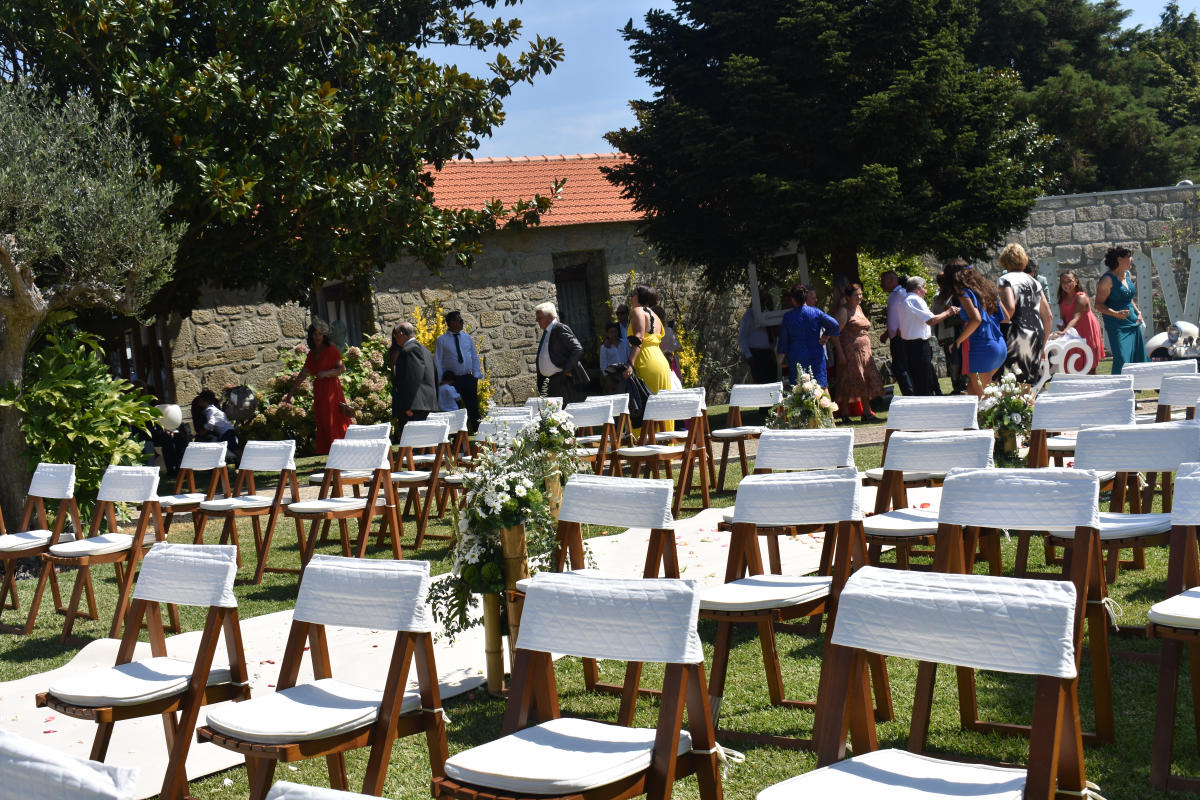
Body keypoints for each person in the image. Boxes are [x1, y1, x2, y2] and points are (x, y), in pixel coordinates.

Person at [282, 318, 351, 455]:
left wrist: (326, 373)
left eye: (320, 334)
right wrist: (290, 394)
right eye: (315, 334)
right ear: (312, 336)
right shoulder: (312, 353)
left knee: (333, 417)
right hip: (319, 390)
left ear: (324, 335)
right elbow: (303, 374)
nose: (317, 336)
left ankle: (341, 448)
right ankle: (330, 451)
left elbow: (342, 369)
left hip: (331, 387)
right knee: (322, 419)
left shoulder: (331, 349)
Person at [996, 243, 1052, 386]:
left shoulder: (1005, 280)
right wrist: (1043, 344)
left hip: (1016, 333)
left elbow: (1009, 310)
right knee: (1028, 383)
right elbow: (1048, 316)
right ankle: (1029, 407)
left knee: (1011, 383)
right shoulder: (1034, 282)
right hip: (1035, 333)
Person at [899, 276, 960, 396]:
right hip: (918, 345)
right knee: (923, 380)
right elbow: (931, 320)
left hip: (911, 344)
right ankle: (926, 404)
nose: (926, 291)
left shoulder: (906, 300)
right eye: (924, 288)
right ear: (918, 288)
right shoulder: (915, 299)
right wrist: (949, 312)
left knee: (921, 379)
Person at [953, 267, 1008, 398]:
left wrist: (958, 341)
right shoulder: (990, 291)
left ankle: (1013, 411)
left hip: (982, 347)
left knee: (987, 400)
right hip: (999, 345)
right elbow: (1006, 317)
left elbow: (976, 320)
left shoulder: (965, 293)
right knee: (973, 389)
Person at [833, 282, 884, 422]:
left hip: (864, 351)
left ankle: (866, 412)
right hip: (851, 352)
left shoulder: (859, 308)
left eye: (861, 294)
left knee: (865, 380)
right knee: (850, 381)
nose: (860, 297)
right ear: (848, 297)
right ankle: (845, 414)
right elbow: (834, 333)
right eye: (856, 295)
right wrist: (841, 354)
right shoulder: (844, 311)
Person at [1095, 246, 1147, 374]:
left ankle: (1133, 390)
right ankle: (1118, 390)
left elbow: (1128, 298)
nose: (1132, 259)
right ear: (1120, 259)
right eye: (1129, 256)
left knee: (1137, 359)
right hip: (1117, 325)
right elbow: (1098, 305)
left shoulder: (1127, 275)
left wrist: (1138, 312)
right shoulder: (1107, 280)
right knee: (1122, 359)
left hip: (1133, 322)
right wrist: (1116, 314)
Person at [778, 282, 840, 386]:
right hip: (816, 356)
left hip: (797, 357)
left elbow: (783, 341)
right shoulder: (816, 312)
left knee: (800, 390)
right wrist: (826, 336)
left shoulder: (788, 317)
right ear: (806, 297)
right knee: (821, 388)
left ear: (793, 299)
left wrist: (780, 359)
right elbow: (834, 325)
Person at [435, 310, 482, 431]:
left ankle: (480, 434)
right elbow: (438, 361)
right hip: (452, 380)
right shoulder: (442, 340)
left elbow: (473, 355)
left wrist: (476, 374)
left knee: (473, 408)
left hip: (468, 377)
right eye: (459, 320)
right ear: (451, 323)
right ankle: (457, 438)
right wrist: (442, 381)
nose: (462, 323)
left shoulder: (467, 337)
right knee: (454, 410)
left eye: (462, 320)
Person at [1051, 270, 1105, 374]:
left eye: (1069, 281)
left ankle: (1094, 387)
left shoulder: (1081, 297)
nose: (1067, 285)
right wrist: (1061, 325)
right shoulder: (1062, 298)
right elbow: (1063, 317)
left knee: (1089, 364)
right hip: (1073, 330)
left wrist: (1065, 331)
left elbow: (1076, 317)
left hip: (1086, 329)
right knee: (1074, 362)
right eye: (1063, 282)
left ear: (1076, 281)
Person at [388, 322, 438, 435]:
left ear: (401, 333)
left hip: (414, 409)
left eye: (395, 334)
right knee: (427, 443)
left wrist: (408, 406)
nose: (395, 338)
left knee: (413, 446)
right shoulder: (426, 350)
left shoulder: (409, 350)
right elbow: (435, 377)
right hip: (427, 404)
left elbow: (413, 378)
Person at [535, 301, 589, 403]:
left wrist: (566, 370)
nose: (537, 320)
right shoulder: (547, 332)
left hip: (560, 381)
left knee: (563, 414)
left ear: (550, 316)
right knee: (552, 415)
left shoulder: (559, 328)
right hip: (549, 382)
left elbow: (577, 349)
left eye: (539, 318)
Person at [933, 261, 969, 394]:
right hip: (948, 333)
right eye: (940, 281)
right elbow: (936, 317)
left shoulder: (956, 295)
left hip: (957, 332)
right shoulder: (939, 297)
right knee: (953, 360)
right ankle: (958, 385)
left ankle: (962, 384)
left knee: (957, 359)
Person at [879, 270, 915, 395]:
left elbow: (908, 312)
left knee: (900, 367)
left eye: (883, 281)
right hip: (895, 337)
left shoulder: (901, 293)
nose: (881, 284)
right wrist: (887, 333)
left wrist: (902, 329)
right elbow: (895, 318)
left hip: (901, 337)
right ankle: (909, 393)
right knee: (899, 367)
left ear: (891, 280)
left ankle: (910, 394)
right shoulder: (893, 295)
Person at [192, 389, 240, 458]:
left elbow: (211, 422)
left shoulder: (210, 410)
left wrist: (204, 430)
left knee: (235, 449)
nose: (198, 401)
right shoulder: (213, 408)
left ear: (204, 402)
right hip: (228, 431)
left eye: (200, 400)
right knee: (229, 449)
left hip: (226, 433)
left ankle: (244, 463)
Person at [738, 300, 777, 383]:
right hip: (756, 354)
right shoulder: (749, 315)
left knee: (773, 382)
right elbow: (742, 337)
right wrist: (748, 355)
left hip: (770, 354)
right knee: (761, 382)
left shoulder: (768, 313)